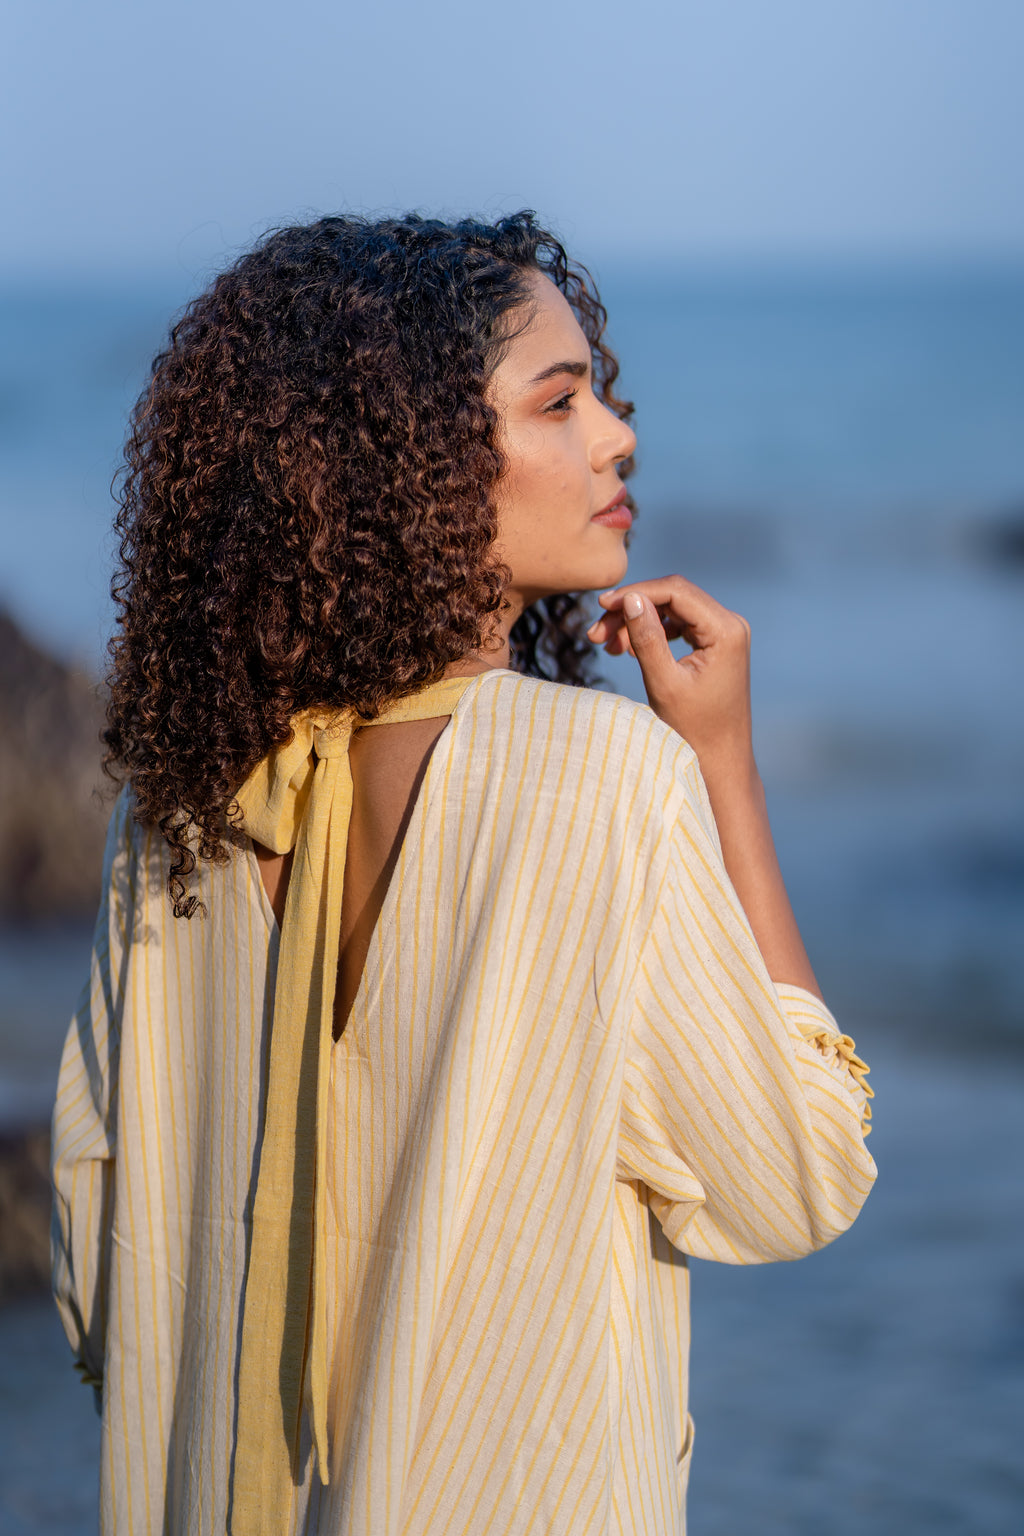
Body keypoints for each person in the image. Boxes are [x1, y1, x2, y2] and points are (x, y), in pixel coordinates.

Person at [50, 211, 875, 1536]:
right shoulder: (603, 783)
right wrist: (725, 770)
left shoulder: (176, 816)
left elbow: (97, 1261)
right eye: (560, 404)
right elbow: (796, 1177)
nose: (616, 434)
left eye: (595, 394)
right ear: (406, 466)